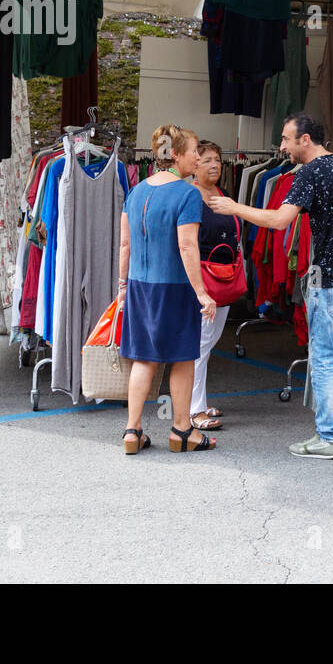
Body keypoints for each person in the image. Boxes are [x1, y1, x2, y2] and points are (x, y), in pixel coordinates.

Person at [211, 113, 333, 458]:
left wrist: (234, 207)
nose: (282, 146)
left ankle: (328, 437)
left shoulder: (309, 172)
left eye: (286, 139)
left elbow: (279, 221)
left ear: (305, 140)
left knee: (322, 356)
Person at [119, 125, 218, 454]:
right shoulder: (188, 193)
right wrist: (202, 292)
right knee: (182, 358)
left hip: (138, 285)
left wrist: (122, 289)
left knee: (143, 359)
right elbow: (188, 246)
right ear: (175, 154)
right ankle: (181, 430)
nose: (197, 157)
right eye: (193, 151)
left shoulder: (136, 191)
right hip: (173, 287)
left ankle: (132, 432)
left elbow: (125, 245)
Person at [189, 139, 239, 432]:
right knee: (199, 344)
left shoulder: (223, 195)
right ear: (194, 164)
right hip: (203, 280)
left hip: (225, 277)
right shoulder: (190, 196)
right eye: (207, 159)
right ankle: (194, 410)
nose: (215, 165)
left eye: (218, 160)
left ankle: (199, 401)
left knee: (208, 344)